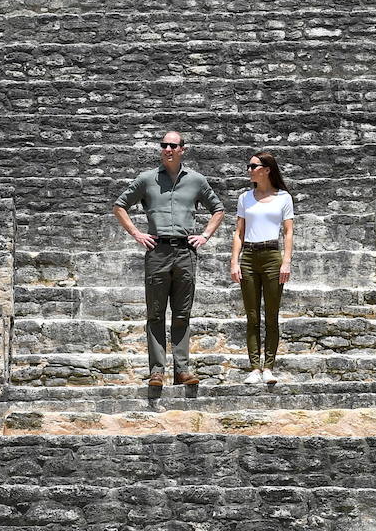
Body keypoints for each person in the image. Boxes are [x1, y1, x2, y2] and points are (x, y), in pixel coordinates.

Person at [112, 129, 225, 388]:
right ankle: (156, 371)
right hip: (157, 251)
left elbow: (218, 209)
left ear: (183, 149)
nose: (168, 149)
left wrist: (205, 235)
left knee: (182, 313)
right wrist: (137, 233)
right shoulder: (146, 179)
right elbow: (119, 206)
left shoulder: (196, 180)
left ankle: (183, 370)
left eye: (174, 145)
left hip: (185, 251)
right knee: (155, 313)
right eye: (164, 145)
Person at [230, 151, 294, 386]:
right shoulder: (245, 197)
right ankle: (254, 367)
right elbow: (238, 232)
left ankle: (269, 366)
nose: (249, 169)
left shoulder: (283, 197)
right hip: (249, 256)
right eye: (248, 165)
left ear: (266, 170)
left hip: (271, 256)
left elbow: (288, 232)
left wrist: (286, 261)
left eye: (253, 166)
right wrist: (234, 262)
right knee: (252, 316)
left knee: (272, 316)